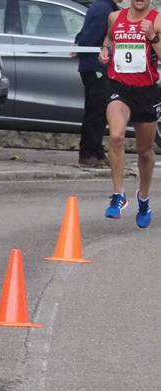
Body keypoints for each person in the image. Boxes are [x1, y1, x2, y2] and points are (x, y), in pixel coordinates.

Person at [100, 0, 160, 226]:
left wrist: (152, 37)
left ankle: (143, 199)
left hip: (146, 91)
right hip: (119, 87)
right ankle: (118, 195)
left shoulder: (157, 19)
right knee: (116, 136)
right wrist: (105, 49)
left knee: (145, 152)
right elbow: (109, 38)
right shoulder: (115, 18)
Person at [77, 0, 120, 168]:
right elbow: (89, 38)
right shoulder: (104, 9)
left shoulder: (104, 7)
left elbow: (82, 35)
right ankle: (89, 153)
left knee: (97, 110)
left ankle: (94, 151)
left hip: (96, 66)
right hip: (96, 67)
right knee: (96, 111)